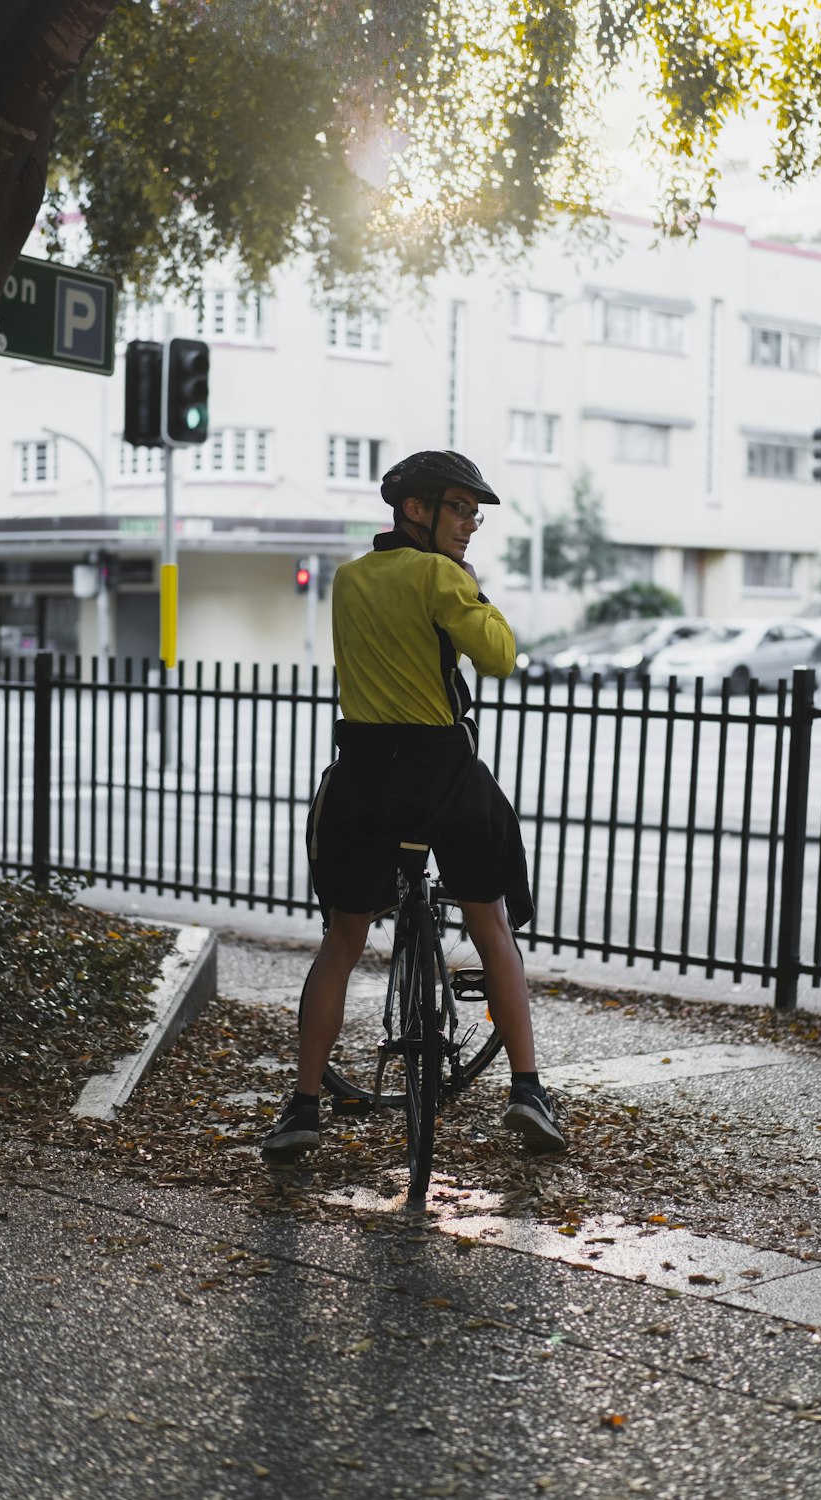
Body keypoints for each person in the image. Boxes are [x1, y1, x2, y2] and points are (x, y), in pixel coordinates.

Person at [262, 449, 566, 1160]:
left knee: (342, 937)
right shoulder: (440, 575)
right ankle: (528, 1091)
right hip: (441, 774)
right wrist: (469, 589)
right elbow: (496, 657)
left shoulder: (351, 579)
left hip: (363, 773)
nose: (469, 524)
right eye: (459, 508)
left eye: (474, 514)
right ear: (417, 510)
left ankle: (304, 1106)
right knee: (489, 917)